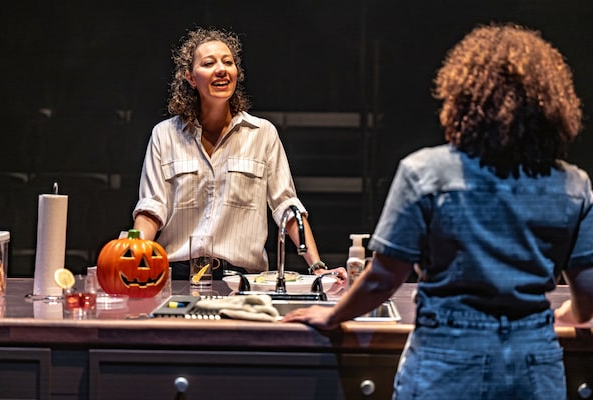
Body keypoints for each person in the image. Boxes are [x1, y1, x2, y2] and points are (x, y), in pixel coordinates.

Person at [283, 23, 593, 399]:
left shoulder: (425, 172)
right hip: (534, 363)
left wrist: (333, 315)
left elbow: (384, 278)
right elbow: (587, 289)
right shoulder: (573, 184)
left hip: (446, 360)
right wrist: (571, 316)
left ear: (462, 98)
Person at [132, 27, 345, 282]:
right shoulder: (165, 134)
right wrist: (131, 262)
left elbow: (287, 207)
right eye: (209, 63)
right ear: (190, 77)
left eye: (228, 62)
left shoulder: (262, 133)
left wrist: (317, 266)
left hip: (241, 282)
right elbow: (151, 209)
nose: (221, 69)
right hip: (177, 278)